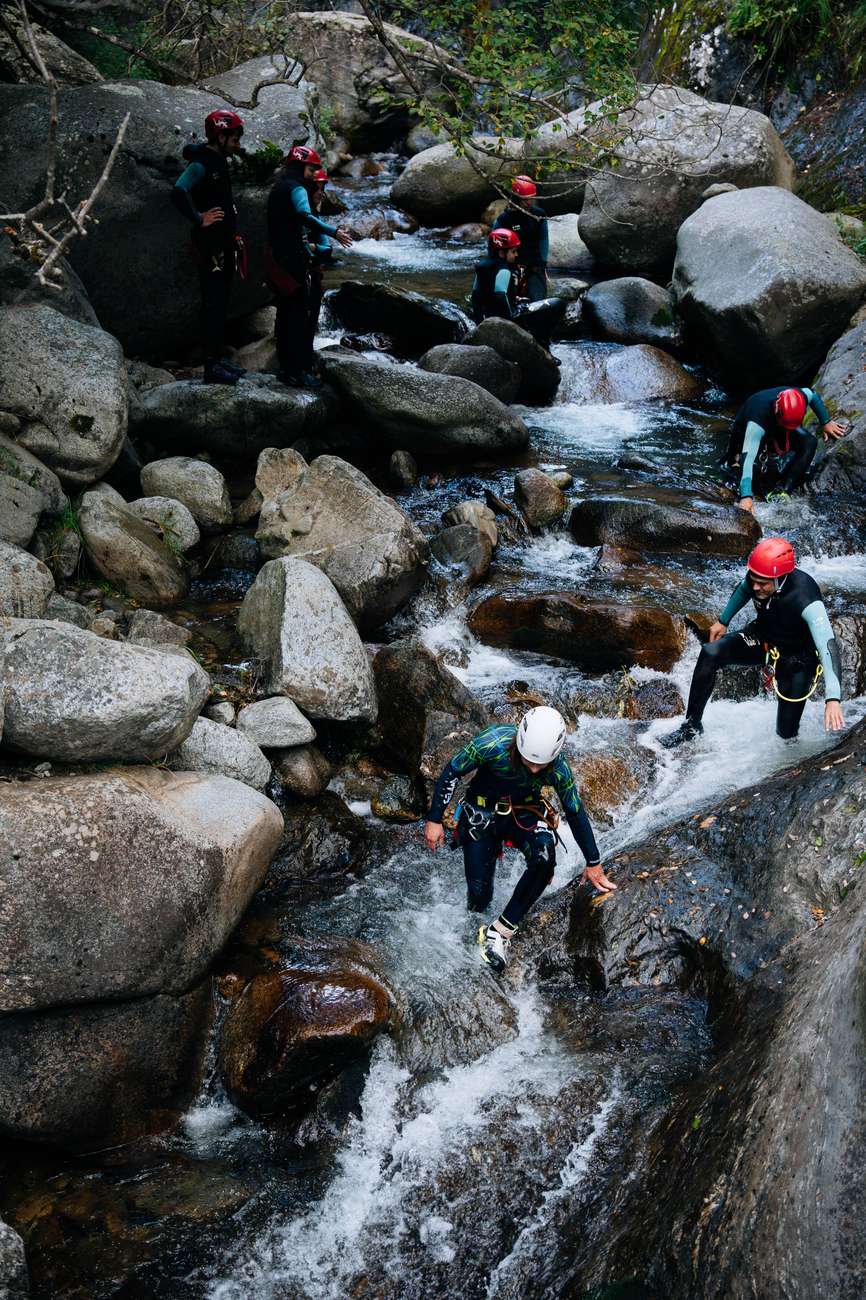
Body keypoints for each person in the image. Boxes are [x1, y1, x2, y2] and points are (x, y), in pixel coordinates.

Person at [424, 706, 616, 972]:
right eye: (530, 761)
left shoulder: (559, 769)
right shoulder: (492, 742)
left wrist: (593, 861)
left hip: (523, 813)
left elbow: (575, 811)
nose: (536, 770)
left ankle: (499, 932)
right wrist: (434, 819)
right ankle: (474, 927)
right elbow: (452, 771)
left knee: (545, 858)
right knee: (479, 897)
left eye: (542, 764)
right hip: (482, 813)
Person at [660, 537, 845, 749]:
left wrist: (833, 698)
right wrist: (723, 620)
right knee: (711, 653)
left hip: (796, 659)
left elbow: (827, 646)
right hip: (762, 639)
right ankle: (690, 728)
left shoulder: (806, 597)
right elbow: (743, 589)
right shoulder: (758, 579)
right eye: (753, 578)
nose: (754, 586)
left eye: (762, 583)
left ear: (780, 577)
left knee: (786, 736)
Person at [266, 145, 352, 389]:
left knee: (286, 315)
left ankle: (287, 369)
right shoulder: (297, 190)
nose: (315, 174)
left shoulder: (278, 188)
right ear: (299, 166)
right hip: (293, 261)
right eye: (312, 168)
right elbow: (304, 215)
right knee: (296, 316)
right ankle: (296, 371)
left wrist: (313, 245)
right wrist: (333, 232)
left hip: (278, 258)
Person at [171, 109, 247, 385]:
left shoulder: (219, 159)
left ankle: (219, 358)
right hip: (210, 244)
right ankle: (211, 366)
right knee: (212, 301)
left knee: (222, 299)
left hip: (224, 242)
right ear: (221, 135)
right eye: (235, 137)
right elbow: (179, 191)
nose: (238, 142)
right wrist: (198, 218)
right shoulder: (202, 162)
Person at [724, 386, 847, 513]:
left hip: (784, 423)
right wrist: (746, 496)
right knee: (736, 472)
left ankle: (784, 491)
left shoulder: (800, 396)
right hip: (746, 430)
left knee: (809, 442)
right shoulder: (756, 423)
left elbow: (813, 395)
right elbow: (747, 460)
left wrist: (826, 421)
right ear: (777, 408)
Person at [496, 175, 549, 302]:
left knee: (538, 300)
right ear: (516, 198)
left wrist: (543, 265)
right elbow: (494, 247)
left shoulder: (539, 215)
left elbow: (544, 241)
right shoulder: (504, 219)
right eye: (525, 199)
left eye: (532, 198)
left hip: (534, 266)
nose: (529, 202)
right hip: (511, 266)